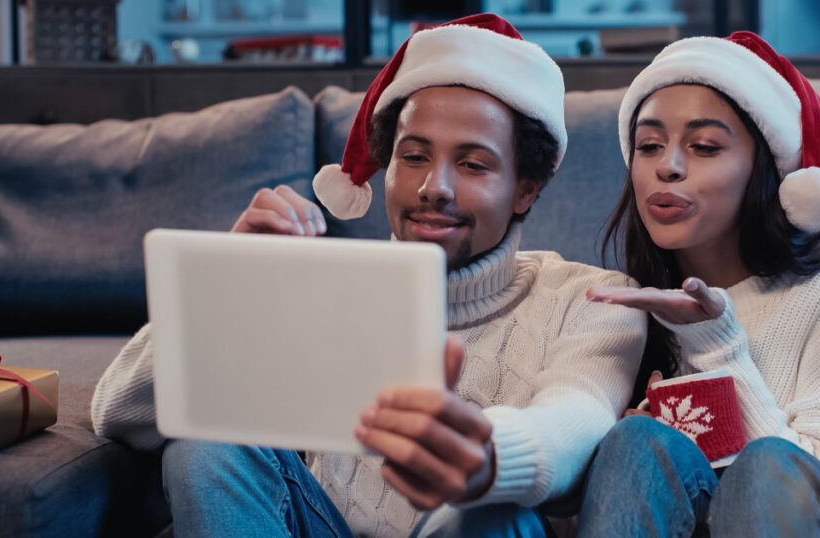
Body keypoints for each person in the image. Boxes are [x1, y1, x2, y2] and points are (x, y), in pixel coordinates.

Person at [91, 14, 646, 538]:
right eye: (413, 157)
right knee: (203, 444)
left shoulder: (594, 298)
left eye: (473, 164)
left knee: (491, 511)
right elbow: (118, 415)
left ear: (526, 188)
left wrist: (488, 461)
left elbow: (578, 416)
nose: (435, 187)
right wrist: (233, 291)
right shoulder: (315, 286)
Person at [576, 32, 820, 537]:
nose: (667, 166)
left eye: (703, 147)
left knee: (766, 465)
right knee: (637, 442)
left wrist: (716, 343)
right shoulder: (638, 304)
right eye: (648, 146)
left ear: (762, 169)